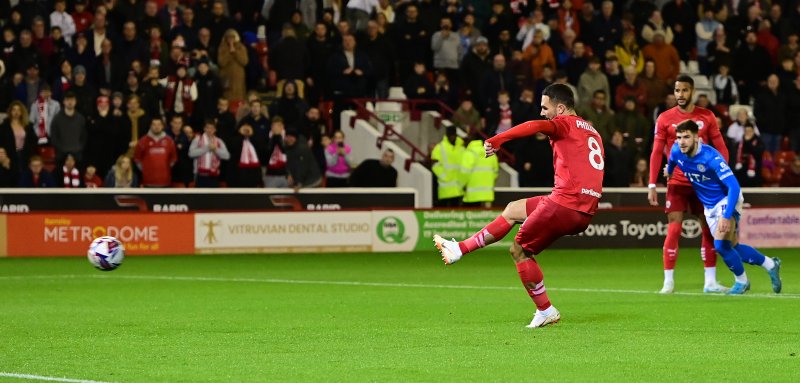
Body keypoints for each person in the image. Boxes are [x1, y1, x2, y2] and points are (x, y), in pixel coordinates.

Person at [434, 84, 605, 328]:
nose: (542, 112)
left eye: (545, 108)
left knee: (519, 250)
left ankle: (545, 310)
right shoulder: (592, 131)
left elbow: (535, 126)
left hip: (566, 203)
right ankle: (459, 249)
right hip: (583, 205)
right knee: (514, 209)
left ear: (561, 108)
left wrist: (498, 139)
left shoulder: (564, 123)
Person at [667, 120, 781, 295]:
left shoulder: (711, 157)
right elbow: (672, 161)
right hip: (709, 206)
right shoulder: (676, 150)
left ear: (697, 137)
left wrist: (727, 216)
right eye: (679, 137)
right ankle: (770, 264)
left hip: (727, 199)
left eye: (686, 137)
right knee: (732, 246)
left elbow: (734, 187)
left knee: (720, 245)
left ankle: (742, 282)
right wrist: (669, 170)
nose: (681, 141)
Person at [648, 74, 730, 294]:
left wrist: (723, 175)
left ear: (692, 91)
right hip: (676, 182)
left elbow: (722, 148)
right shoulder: (665, 118)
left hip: (703, 183)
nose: (680, 95)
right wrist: (652, 184)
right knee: (674, 228)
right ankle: (668, 281)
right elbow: (656, 152)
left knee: (708, 229)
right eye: (677, 91)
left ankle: (710, 281)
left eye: (684, 90)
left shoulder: (707, 116)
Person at [134, 117, 177, 188]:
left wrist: (165, 168)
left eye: (159, 124)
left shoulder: (170, 141)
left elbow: (173, 159)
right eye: (154, 124)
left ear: (162, 126)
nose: (156, 127)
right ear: (150, 126)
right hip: (148, 182)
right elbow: (137, 159)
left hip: (165, 182)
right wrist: (145, 170)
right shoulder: (142, 141)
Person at [460, 131, 499, 208]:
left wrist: (462, 186)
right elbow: (495, 172)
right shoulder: (490, 152)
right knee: (487, 219)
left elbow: (464, 173)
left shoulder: (469, 153)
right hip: (487, 195)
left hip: (472, 196)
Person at [189, 119, 230, 187]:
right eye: (207, 127)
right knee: (200, 197)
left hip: (214, 176)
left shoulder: (219, 141)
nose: (209, 130)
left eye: (212, 128)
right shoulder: (197, 139)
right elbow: (191, 153)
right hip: (200, 175)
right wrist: (206, 148)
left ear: (215, 130)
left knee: (212, 197)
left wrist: (215, 149)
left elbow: (227, 156)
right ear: (204, 128)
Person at [431, 125, 464, 207]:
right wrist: (444, 176)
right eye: (450, 135)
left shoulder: (461, 147)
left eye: (453, 135)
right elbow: (434, 164)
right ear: (447, 135)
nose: (452, 137)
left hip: (458, 188)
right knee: (443, 212)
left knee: (457, 213)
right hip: (445, 187)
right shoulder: (440, 147)